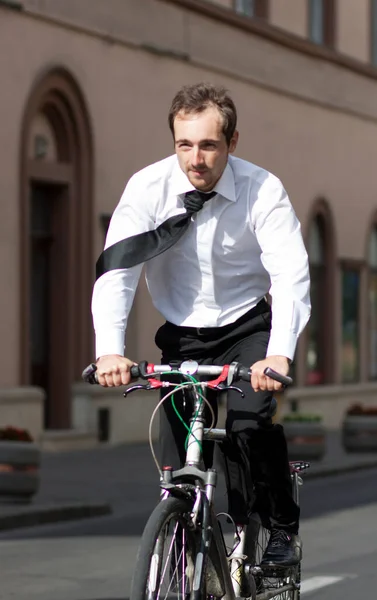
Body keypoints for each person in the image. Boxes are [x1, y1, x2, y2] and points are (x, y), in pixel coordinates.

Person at [91, 82, 311, 567]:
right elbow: (117, 271)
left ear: (232, 143)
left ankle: (279, 528)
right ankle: (186, 541)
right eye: (184, 144)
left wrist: (278, 353)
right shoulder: (147, 189)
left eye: (209, 145)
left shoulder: (262, 190)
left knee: (250, 423)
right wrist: (109, 348)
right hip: (182, 335)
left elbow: (290, 275)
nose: (196, 158)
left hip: (246, 329)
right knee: (177, 463)